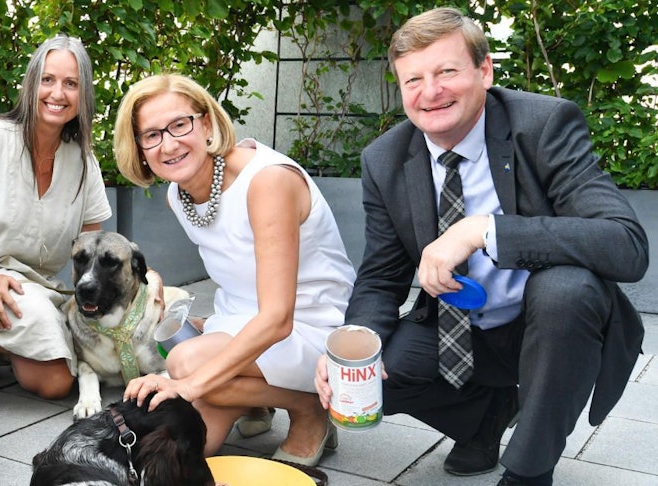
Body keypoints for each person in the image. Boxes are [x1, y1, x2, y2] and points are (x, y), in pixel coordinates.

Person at [314, 7, 648, 486]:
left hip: (550, 325)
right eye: (414, 80)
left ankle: (530, 470)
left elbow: (626, 244)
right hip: (457, 329)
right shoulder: (384, 159)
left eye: (447, 71)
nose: (431, 92)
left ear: (485, 70)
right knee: (372, 384)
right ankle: (488, 416)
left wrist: (482, 230)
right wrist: (351, 349)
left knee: (567, 290)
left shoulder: (545, 124)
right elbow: (381, 277)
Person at [116, 74, 356, 467]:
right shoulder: (179, 193)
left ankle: (309, 407)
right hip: (244, 315)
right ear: (140, 148)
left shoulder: (268, 182)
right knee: (188, 457)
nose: (169, 144)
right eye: (152, 134)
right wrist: (202, 322)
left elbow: (278, 318)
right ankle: (253, 403)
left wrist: (189, 386)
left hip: (310, 322)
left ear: (207, 123)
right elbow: (238, 268)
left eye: (180, 124)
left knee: (186, 363)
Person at [0, 34, 111, 399]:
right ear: (31, 84)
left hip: (39, 287)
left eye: (71, 83)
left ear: (84, 96)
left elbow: (93, 248)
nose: (58, 93)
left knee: (77, 351)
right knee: (56, 384)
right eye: (47, 80)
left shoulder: (83, 161)